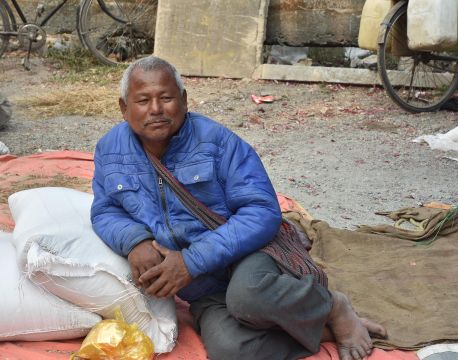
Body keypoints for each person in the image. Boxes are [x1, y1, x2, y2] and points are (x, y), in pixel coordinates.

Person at [91, 56, 386, 360]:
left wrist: (192, 261)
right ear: (124, 108)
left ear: (184, 100)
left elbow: (261, 211)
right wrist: (135, 242)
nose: (155, 109)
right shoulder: (110, 150)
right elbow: (105, 210)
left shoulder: (216, 141)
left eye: (166, 98)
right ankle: (317, 330)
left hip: (249, 259)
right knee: (230, 349)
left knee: (247, 297)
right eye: (143, 100)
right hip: (204, 289)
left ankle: (332, 306)